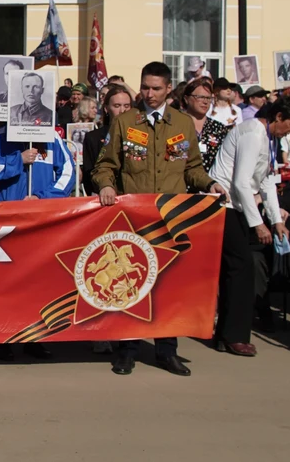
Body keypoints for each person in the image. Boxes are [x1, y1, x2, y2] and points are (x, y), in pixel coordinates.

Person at [93, 61, 227, 377]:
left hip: (171, 219)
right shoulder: (126, 122)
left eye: (156, 88)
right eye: (145, 87)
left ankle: (167, 351)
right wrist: (107, 184)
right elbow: (105, 165)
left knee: (170, 286)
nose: (149, 94)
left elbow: (192, 168)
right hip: (134, 219)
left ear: (168, 89)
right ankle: (126, 350)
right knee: (129, 283)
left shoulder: (182, 123)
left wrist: (209, 183)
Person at [209, 97, 290, 357]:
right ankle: (233, 336)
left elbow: (265, 181)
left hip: (237, 207)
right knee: (241, 269)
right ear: (277, 117)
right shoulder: (252, 133)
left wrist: (276, 220)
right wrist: (259, 224)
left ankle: (227, 335)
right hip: (224, 206)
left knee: (237, 269)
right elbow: (241, 182)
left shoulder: (267, 138)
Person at [0, 122, 74, 361]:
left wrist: (42, 199)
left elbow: (67, 173)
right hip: (5, 223)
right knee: (5, 282)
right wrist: (17, 161)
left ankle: (36, 337)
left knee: (38, 282)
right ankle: (3, 337)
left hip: (40, 222)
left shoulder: (51, 137)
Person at [81, 85, 133, 196]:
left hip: (134, 197)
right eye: (117, 106)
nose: (122, 110)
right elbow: (89, 174)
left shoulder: (140, 135)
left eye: (127, 106)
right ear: (106, 108)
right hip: (105, 198)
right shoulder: (93, 137)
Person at [180, 78, 229, 172]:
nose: (205, 102)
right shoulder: (176, 125)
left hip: (212, 182)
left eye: (208, 98)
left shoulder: (219, 128)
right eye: (200, 97)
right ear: (186, 99)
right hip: (182, 182)